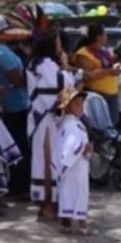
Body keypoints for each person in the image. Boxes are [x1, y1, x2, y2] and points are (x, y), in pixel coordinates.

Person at [27, 28, 72, 220]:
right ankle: (46, 205)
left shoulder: (37, 63)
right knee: (48, 162)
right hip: (47, 120)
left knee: (45, 161)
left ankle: (47, 205)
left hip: (42, 119)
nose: (60, 44)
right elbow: (59, 90)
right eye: (58, 41)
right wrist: (66, 69)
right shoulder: (46, 65)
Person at [0, 18, 31, 196]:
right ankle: (20, 185)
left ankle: (19, 183)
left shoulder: (3, 49)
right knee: (19, 145)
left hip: (18, 101)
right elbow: (16, 78)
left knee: (20, 143)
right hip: (13, 105)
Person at [52, 87, 91, 234]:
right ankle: (82, 224)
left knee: (67, 192)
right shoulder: (72, 125)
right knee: (80, 191)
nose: (81, 107)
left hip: (70, 165)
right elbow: (72, 145)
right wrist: (84, 148)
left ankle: (66, 223)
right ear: (68, 107)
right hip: (74, 165)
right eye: (77, 104)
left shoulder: (66, 123)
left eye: (82, 103)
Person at [72, 23, 121, 126]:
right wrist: (110, 71)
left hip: (112, 96)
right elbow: (88, 76)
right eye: (105, 34)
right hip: (98, 96)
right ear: (98, 37)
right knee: (101, 128)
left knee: (112, 127)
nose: (107, 37)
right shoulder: (83, 54)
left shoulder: (104, 51)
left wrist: (115, 69)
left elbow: (108, 68)